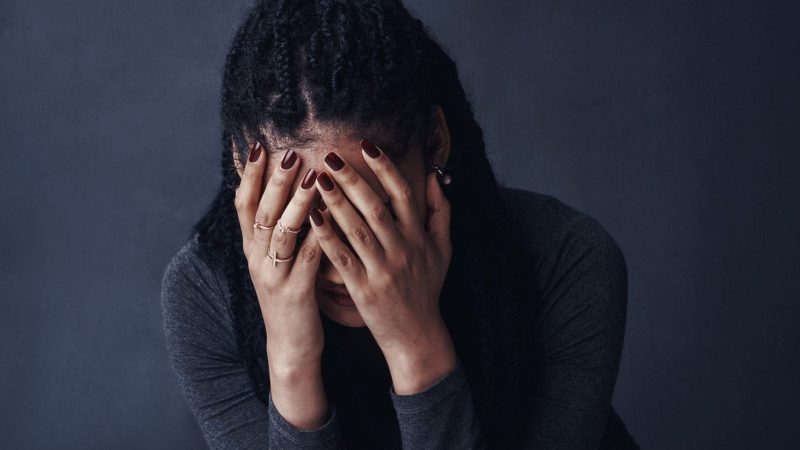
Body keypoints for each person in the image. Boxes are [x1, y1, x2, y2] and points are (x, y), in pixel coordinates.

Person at [160, 0, 640, 448]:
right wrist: (289, 363)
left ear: (435, 143)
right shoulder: (204, 292)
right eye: (302, 213)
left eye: (369, 207)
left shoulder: (566, 259)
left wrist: (417, 346)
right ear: (244, 167)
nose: (339, 262)